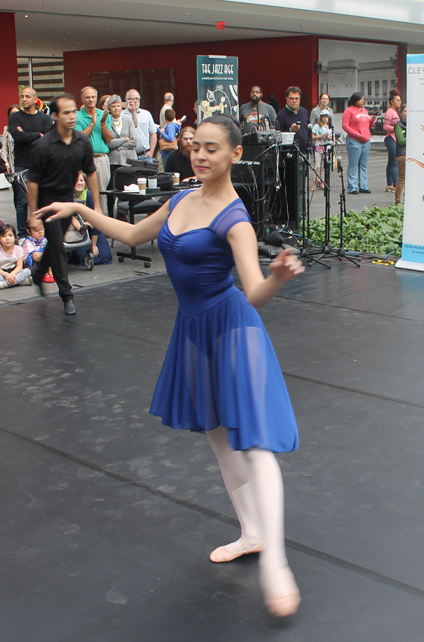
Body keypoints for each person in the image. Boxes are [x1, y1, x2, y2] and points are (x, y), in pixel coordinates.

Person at [36, 113, 304, 618]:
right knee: (221, 441)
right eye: (194, 145)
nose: (200, 155)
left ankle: (277, 564)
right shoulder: (182, 197)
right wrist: (81, 208)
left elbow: (254, 291)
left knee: (255, 442)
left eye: (211, 148)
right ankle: (252, 534)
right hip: (194, 330)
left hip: (232, 328)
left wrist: (279, 277)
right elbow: (134, 234)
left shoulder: (234, 217)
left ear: (235, 155)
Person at [28, 94, 101, 315]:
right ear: (55, 116)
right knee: (58, 247)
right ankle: (67, 295)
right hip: (47, 200)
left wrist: (96, 206)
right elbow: (33, 182)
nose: (71, 116)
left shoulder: (82, 141)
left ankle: (38, 273)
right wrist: (33, 214)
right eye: (66, 112)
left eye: (73, 111)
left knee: (55, 242)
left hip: (67, 199)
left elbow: (91, 173)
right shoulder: (42, 146)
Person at [8, 87, 53, 237]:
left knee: (43, 199)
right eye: (22, 96)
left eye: (27, 96)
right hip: (22, 164)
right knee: (22, 201)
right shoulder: (15, 117)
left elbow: (48, 138)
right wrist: (37, 135)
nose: (24, 99)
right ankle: (21, 235)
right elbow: (17, 136)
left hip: (41, 164)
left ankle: (42, 233)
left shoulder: (45, 119)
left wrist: (26, 134)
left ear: (35, 100)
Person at [75, 86, 113, 216]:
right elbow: (79, 138)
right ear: (82, 99)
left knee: (101, 194)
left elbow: (108, 139)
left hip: (101, 158)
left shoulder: (104, 114)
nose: (91, 100)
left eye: (93, 97)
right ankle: (84, 224)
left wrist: (102, 123)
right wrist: (92, 123)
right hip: (83, 159)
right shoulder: (77, 116)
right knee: (82, 192)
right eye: (87, 97)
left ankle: (102, 227)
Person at [71, 171, 112, 265]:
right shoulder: (68, 197)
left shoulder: (89, 195)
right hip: (77, 231)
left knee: (105, 255)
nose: (79, 183)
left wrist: (93, 245)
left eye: (81, 180)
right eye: (76, 180)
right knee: (81, 258)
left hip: (93, 229)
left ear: (85, 183)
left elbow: (95, 220)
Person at [106, 94, 138, 213]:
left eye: (118, 106)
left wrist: (117, 146)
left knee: (128, 191)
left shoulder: (128, 120)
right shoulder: (107, 121)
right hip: (114, 162)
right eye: (113, 106)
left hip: (128, 162)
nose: (116, 108)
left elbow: (135, 141)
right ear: (109, 108)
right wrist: (124, 139)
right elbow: (109, 144)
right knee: (113, 191)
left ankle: (125, 214)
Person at [342, 92, 377, 194]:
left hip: (365, 140)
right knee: (353, 164)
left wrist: (372, 121)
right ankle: (352, 187)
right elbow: (345, 126)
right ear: (355, 100)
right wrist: (357, 134)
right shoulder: (349, 111)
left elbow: (367, 127)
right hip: (354, 140)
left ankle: (363, 185)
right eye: (360, 99)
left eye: (363, 99)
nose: (362, 101)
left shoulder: (365, 111)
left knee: (363, 164)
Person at [123, 89, 157, 163]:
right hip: (128, 155)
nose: (134, 101)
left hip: (145, 155)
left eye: (136, 99)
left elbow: (153, 133)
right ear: (126, 100)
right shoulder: (121, 115)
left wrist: (151, 151)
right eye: (131, 99)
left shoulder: (146, 114)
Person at [0, 224, 33, 289]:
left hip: (14, 272)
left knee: (27, 271)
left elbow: (19, 266)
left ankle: (3, 284)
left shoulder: (18, 249)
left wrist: (12, 273)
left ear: (15, 238)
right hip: (2, 273)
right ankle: (21, 281)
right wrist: (6, 275)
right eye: (3, 236)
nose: (7, 238)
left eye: (10, 235)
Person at [276, 86, 310, 153]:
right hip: (288, 153)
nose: (294, 101)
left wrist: (310, 148)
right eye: (291, 98)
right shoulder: (281, 115)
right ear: (286, 99)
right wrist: (290, 130)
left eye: (296, 98)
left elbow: (309, 131)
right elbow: (277, 136)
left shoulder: (305, 112)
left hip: (304, 152)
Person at [383, 88, 401, 193]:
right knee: (394, 162)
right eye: (397, 100)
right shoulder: (390, 112)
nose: (399, 102)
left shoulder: (395, 112)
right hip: (390, 138)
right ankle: (395, 185)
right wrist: (396, 129)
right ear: (392, 101)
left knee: (391, 162)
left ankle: (390, 184)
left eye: (400, 100)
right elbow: (385, 127)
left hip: (394, 138)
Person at [311, 111, 332, 190]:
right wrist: (323, 136)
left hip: (326, 147)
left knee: (323, 166)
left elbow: (331, 137)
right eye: (324, 116)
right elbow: (313, 137)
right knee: (317, 166)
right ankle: (314, 183)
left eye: (327, 117)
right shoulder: (316, 126)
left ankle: (322, 182)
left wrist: (328, 137)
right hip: (318, 147)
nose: (325, 118)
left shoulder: (329, 127)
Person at [394, 105, 407, 205]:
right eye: (405, 111)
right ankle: (398, 201)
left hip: (411, 154)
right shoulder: (399, 125)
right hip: (402, 154)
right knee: (402, 178)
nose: (407, 113)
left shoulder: (412, 124)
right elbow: (401, 141)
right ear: (401, 113)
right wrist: (411, 135)